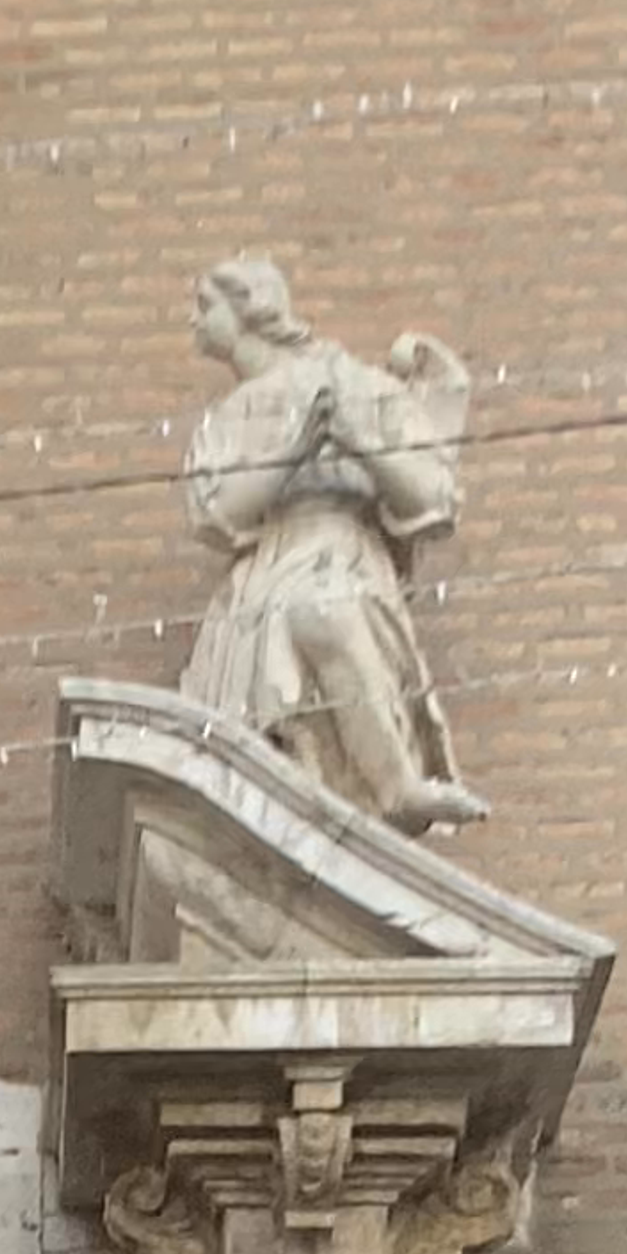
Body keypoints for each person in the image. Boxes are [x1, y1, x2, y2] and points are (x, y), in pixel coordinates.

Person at [177, 257, 484, 835]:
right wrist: (293, 451)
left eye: (204, 304)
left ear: (250, 308)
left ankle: (395, 785)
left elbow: (432, 499)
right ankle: (382, 787)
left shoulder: (353, 383)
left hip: (342, 553)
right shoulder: (224, 419)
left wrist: (359, 438)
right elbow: (216, 515)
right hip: (262, 580)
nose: (191, 319)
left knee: (323, 608)